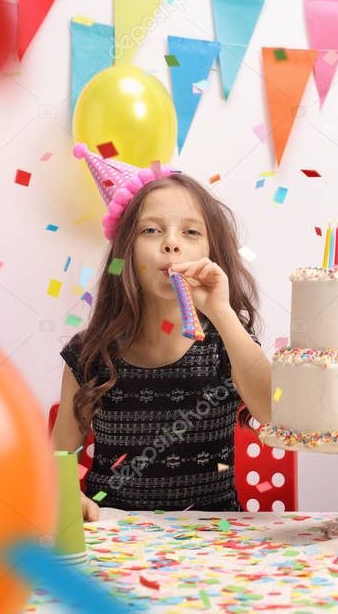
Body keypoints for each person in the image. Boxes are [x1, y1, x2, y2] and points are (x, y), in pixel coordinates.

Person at [51, 145, 271, 519]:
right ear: (127, 252)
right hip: (115, 540)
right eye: (151, 230)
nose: (171, 242)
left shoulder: (225, 344)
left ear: (211, 251)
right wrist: (70, 498)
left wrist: (222, 312)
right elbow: (57, 460)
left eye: (190, 232)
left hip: (213, 545)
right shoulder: (89, 354)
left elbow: (271, 408)